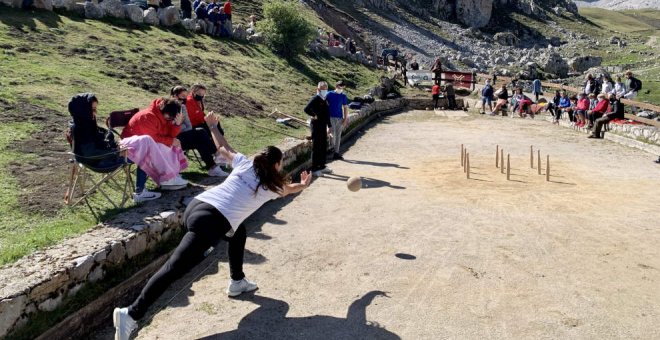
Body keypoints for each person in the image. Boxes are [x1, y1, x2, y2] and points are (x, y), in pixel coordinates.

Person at [112, 145, 313, 340]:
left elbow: (224, 149)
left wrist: (213, 127)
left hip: (197, 206)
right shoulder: (270, 187)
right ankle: (131, 313)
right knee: (174, 268)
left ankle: (237, 281)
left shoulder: (245, 164)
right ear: (277, 164)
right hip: (209, 222)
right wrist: (303, 185)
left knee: (237, 231)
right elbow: (289, 189)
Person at [121, 97, 190, 190]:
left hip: (147, 143)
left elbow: (170, 135)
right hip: (132, 146)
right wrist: (170, 141)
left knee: (172, 144)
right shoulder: (148, 116)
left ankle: (171, 175)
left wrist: (177, 124)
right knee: (163, 147)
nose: (170, 119)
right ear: (164, 110)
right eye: (170, 117)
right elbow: (152, 137)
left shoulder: (165, 115)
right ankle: (166, 178)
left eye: (172, 118)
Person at [172, 87, 228, 177]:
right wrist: (181, 126)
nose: (184, 99)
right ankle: (217, 153)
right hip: (174, 139)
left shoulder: (182, 107)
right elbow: (171, 127)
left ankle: (213, 168)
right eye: (182, 96)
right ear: (174, 96)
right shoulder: (169, 108)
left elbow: (188, 125)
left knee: (200, 140)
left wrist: (180, 126)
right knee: (201, 132)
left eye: (186, 96)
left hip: (184, 136)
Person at [186, 84, 235, 158]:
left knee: (216, 124)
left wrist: (210, 118)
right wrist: (208, 119)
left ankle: (221, 149)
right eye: (199, 94)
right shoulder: (189, 101)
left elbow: (201, 113)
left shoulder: (198, 100)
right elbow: (196, 116)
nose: (201, 96)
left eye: (203, 94)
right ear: (193, 91)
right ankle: (218, 151)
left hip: (200, 122)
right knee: (213, 128)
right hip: (194, 125)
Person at [304, 82, 332, 177]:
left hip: (323, 125)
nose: (325, 90)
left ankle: (322, 166)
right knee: (316, 147)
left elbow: (327, 113)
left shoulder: (325, 99)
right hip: (316, 125)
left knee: (323, 145)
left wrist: (329, 125)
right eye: (323, 89)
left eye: (326, 88)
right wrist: (314, 115)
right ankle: (315, 169)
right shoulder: (315, 98)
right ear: (319, 89)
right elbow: (306, 109)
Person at [326, 81, 349, 160]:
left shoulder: (343, 96)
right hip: (330, 117)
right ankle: (331, 148)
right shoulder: (329, 94)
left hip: (339, 118)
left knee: (338, 135)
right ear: (336, 86)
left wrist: (345, 119)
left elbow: (345, 108)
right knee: (331, 134)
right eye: (340, 87)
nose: (341, 89)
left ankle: (336, 152)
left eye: (342, 88)